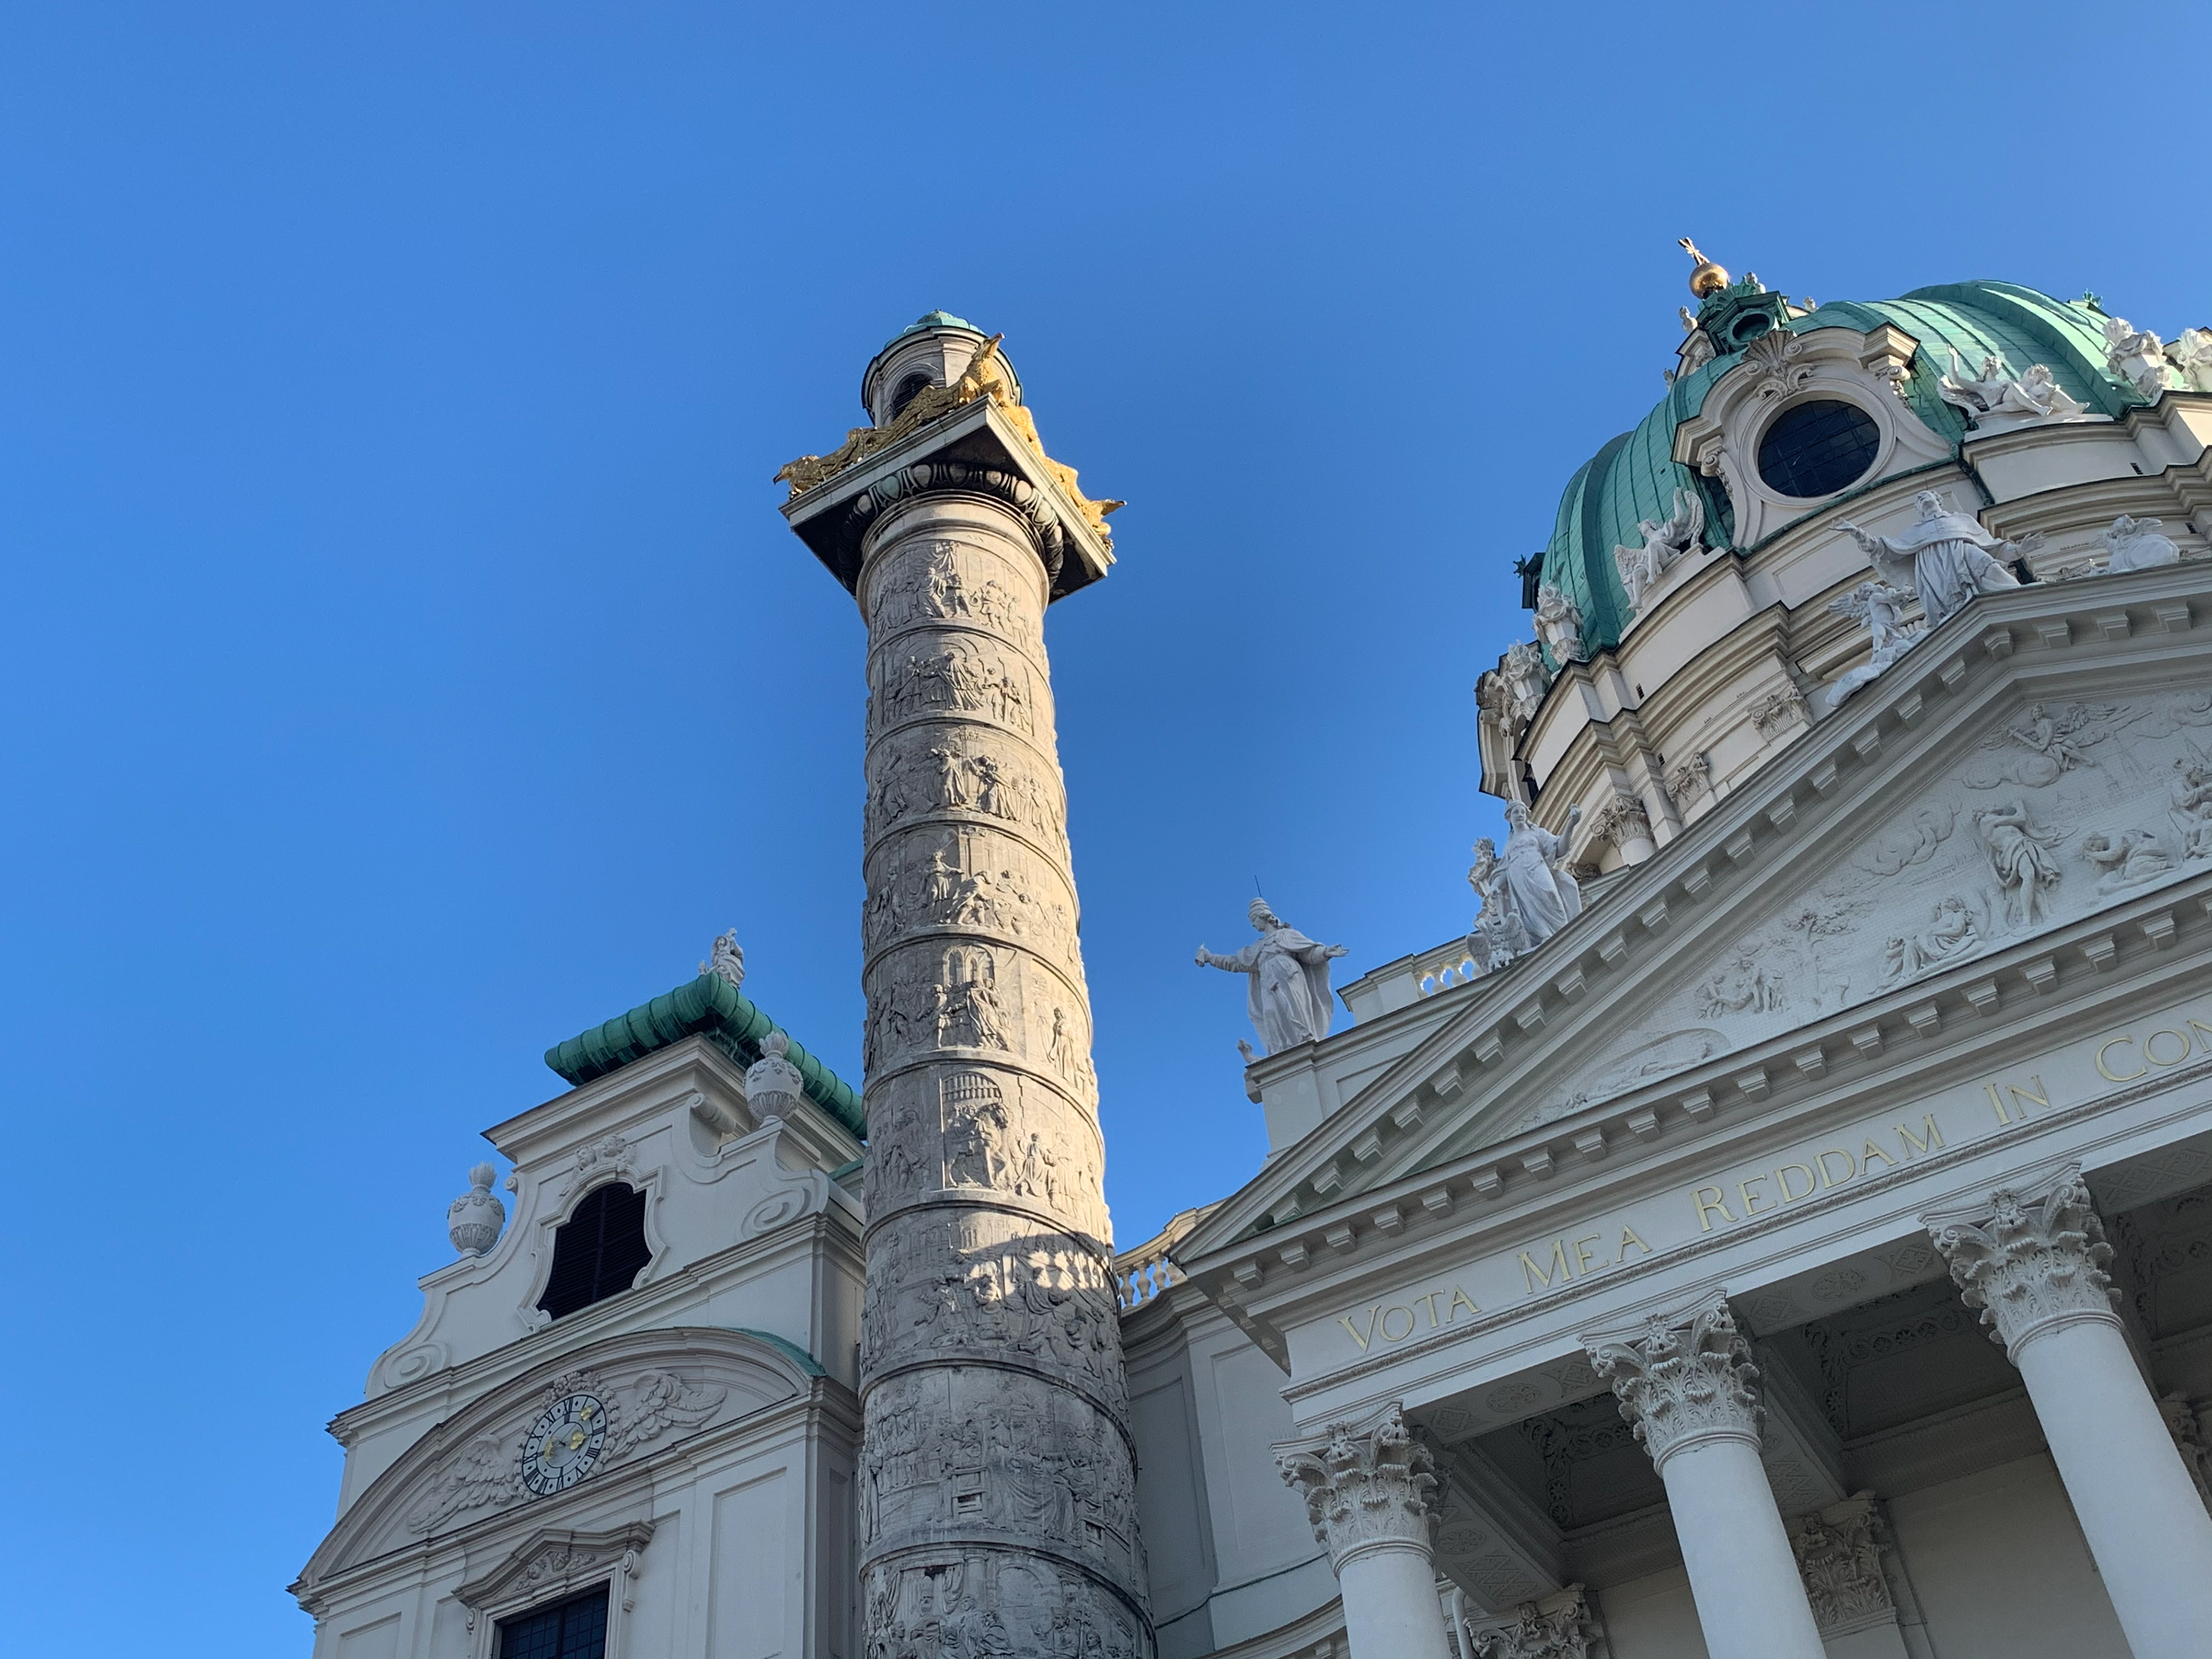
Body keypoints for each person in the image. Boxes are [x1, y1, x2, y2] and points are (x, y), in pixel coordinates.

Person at [1837, 491, 2028, 631]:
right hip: (1933, 568)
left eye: (1926, 495)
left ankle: (2024, 600)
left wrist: (2020, 550)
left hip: (1964, 553)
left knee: (1991, 568)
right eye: (1919, 499)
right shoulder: (1915, 532)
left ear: (1938, 499)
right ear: (1919, 509)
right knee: (1953, 609)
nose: (1922, 498)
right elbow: (1882, 549)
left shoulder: (1962, 520)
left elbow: (1993, 546)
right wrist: (1857, 533)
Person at [1195, 898, 1348, 1054]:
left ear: (1264, 916)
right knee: (1270, 1013)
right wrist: (1210, 957)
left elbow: (1308, 954)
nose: (1253, 925)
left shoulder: (1287, 935)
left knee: (1293, 1008)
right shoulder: (1257, 948)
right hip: (1268, 982)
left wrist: (1324, 952)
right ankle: (1280, 1049)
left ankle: (1304, 1039)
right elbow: (1235, 963)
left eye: (1254, 920)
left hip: (1288, 976)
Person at [1498, 801, 1584, 946]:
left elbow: (1561, 848)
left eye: (1523, 812)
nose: (1520, 815)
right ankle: (1544, 935)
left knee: (1551, 895)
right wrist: (1495, 885)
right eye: (1516, 812)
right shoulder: (1509, 845)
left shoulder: (1537, 833)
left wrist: (1571, 824)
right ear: (1508, 817)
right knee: (1528, 908)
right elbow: (1503, 870)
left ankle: (1564, 933)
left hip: (1538, 868)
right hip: (1518, 876)